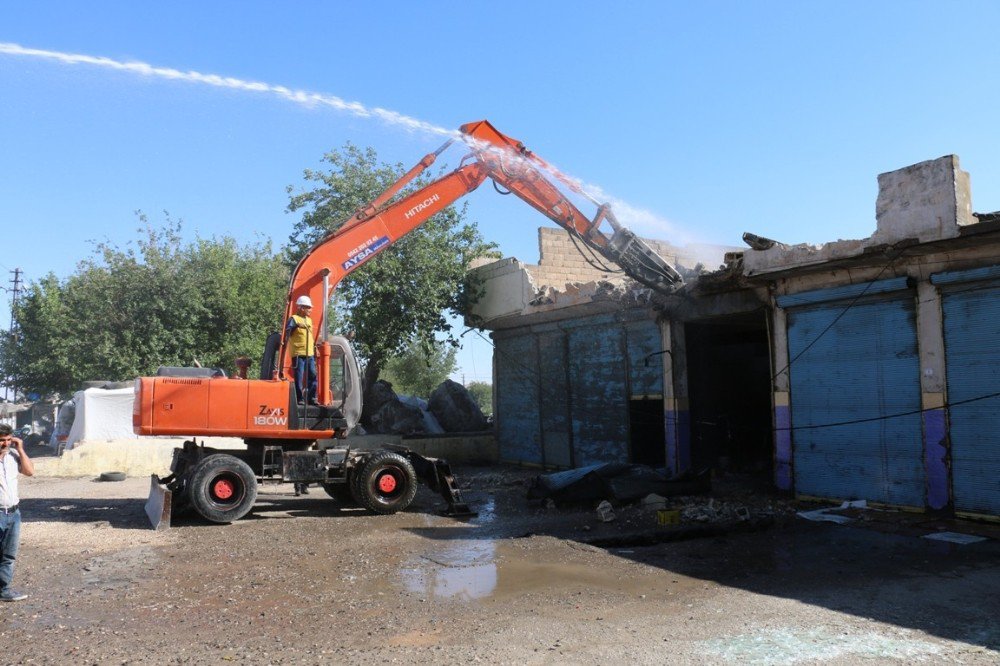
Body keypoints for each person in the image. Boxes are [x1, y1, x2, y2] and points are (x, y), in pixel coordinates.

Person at [0, 423, 33, 602]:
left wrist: (20, 449)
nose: (5, 444)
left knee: (8, 555)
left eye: (8, 440)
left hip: (13, 513)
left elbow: (29, 472)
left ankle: (3, 590)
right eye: (1, 441)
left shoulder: (13, 455)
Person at [285, 294, 318, 405]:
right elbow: (287, 332)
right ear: (301, 308)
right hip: (298, 354)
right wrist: (296, 326)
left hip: (309, 353)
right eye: (308, 307)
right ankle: (299, 398)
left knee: (313, 375)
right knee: (299, 377)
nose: (310, 310)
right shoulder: (293, 319)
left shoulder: (309, 320)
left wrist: (315, 348)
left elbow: (310, 336)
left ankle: (312, 398)